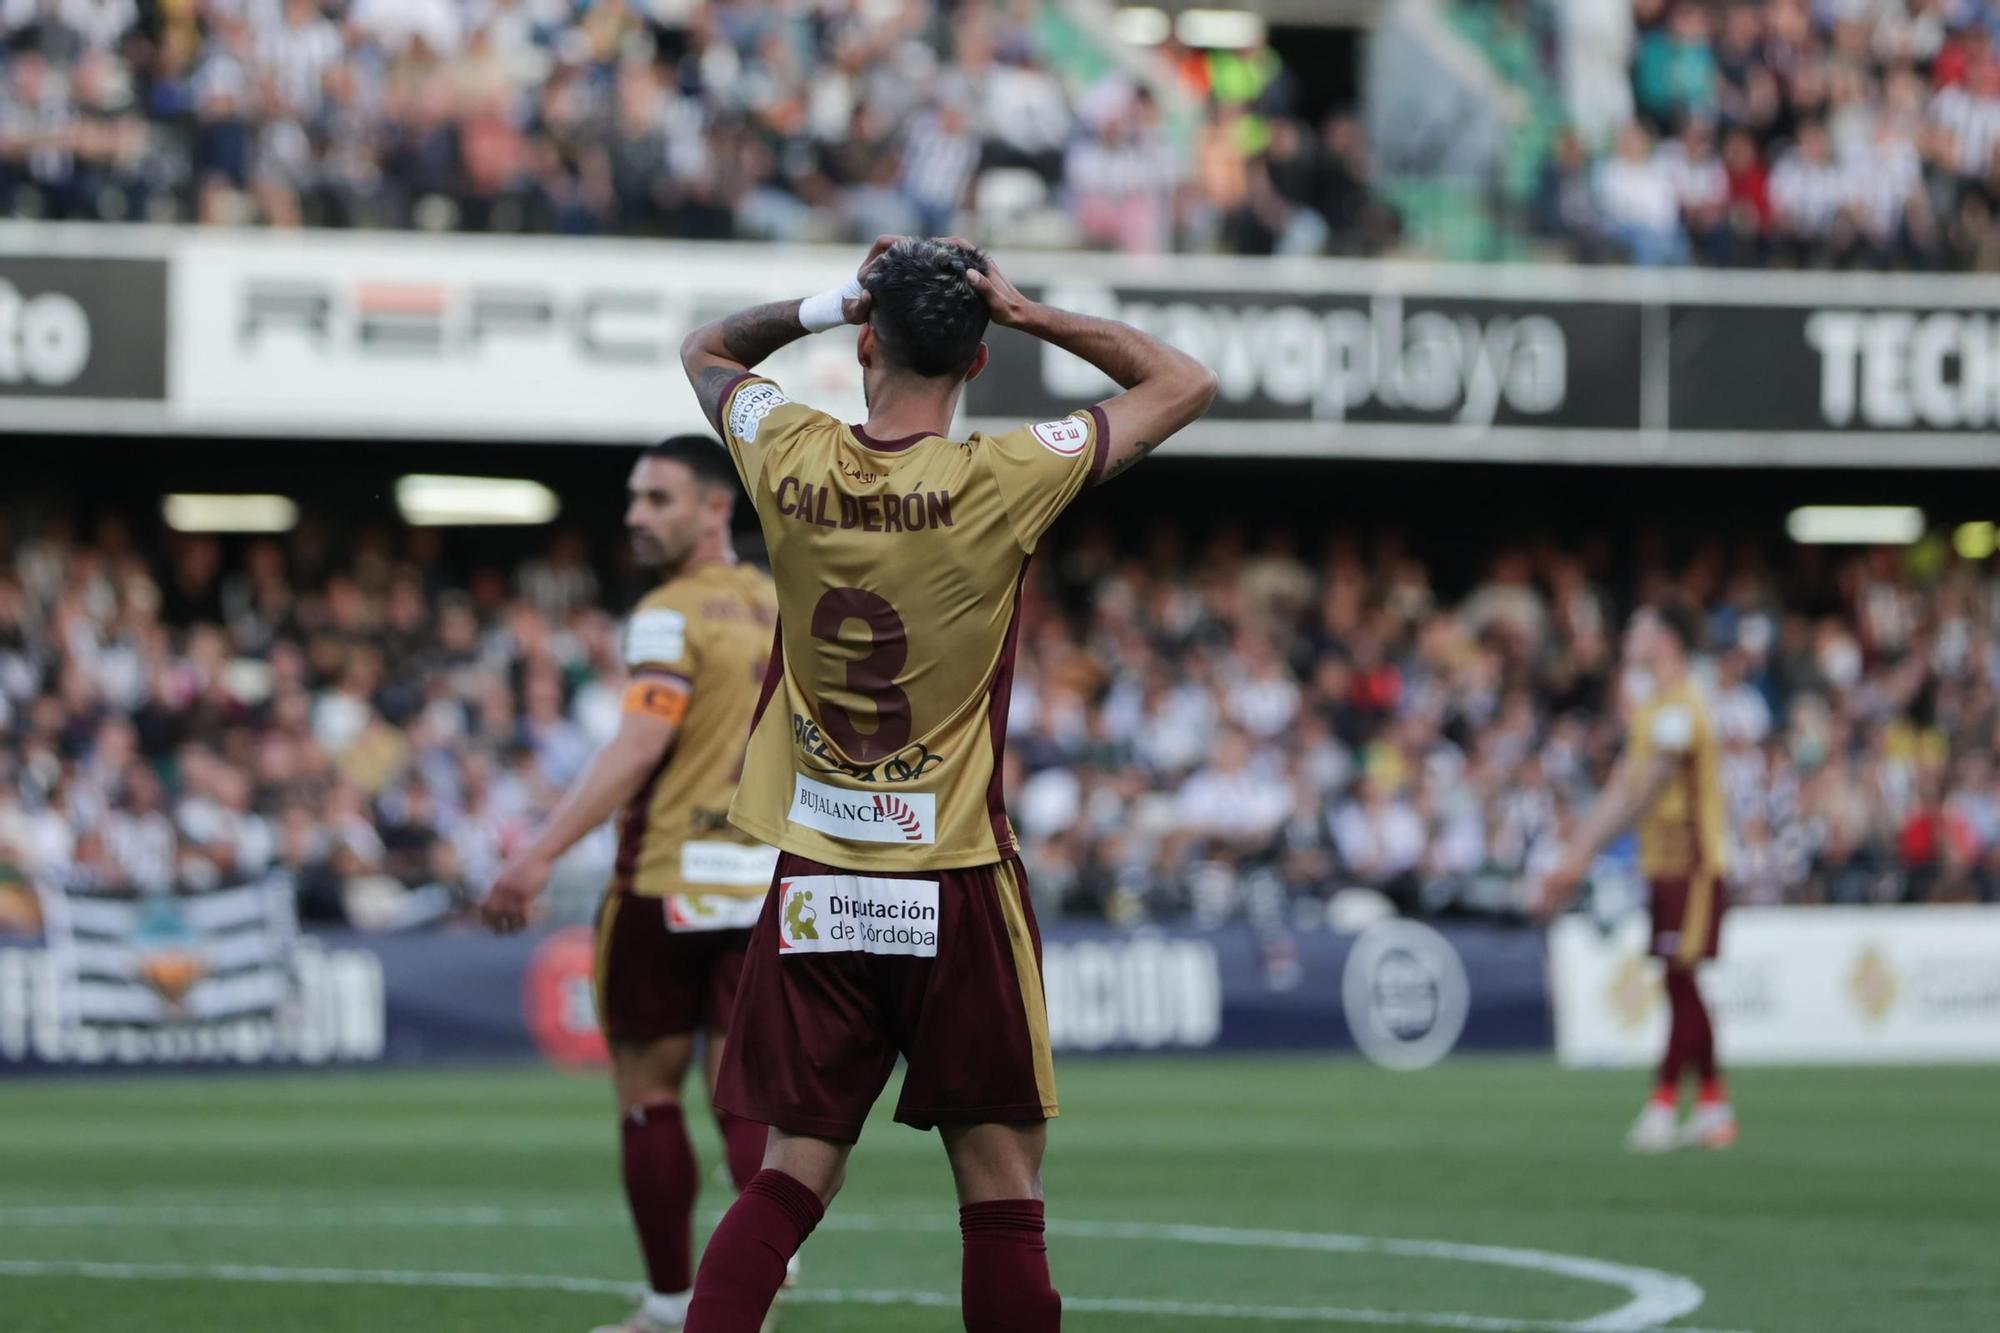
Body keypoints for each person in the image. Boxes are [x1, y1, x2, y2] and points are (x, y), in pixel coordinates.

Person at [674, 235, 1217, 1332]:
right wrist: (1028, 315)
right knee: (1001, 1186)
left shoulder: (786, 451)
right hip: (955, 875)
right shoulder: (1003, 478)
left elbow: (706, 351)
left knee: (791, 1172)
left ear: (865, 342)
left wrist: (835, 296)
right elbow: (1183, 382)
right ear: (974, 365)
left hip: (816, 871)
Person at [482, 438, 781, 1333]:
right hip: (764, 873)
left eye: (658, 499)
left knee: (648, 1094)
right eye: (634, 499)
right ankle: (763, 1261)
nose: (635, 516)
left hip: (665, 876)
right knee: (741, 1086)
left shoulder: (666, 613)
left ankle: (672, 1303)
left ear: (714, 509)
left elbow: (642, 740)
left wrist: (539, 852)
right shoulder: (784, 600)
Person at [1538, 603, 1738, 1153]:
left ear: (1667, 639)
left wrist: (1584, 855)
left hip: (1693, 865)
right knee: (1682, 982)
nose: (1629, 635)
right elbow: (1622, 788)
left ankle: (1665, 1103)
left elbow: (1643, 789)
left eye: (1639, 627)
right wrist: (1575, 855)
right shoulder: (1653, 707)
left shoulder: (1682, 706)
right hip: (1665, 864)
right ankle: (1715, 1107)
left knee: (1680, 977)